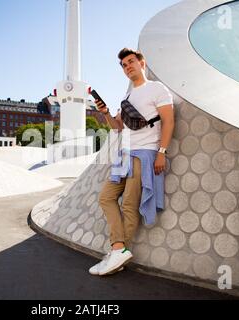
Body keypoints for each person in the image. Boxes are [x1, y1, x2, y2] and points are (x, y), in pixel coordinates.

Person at [89, 48, 174, 276]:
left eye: (131, 62)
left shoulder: (156, 89)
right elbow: (117, 128)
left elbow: (168, 121)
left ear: (142, 63)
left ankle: (117, 250)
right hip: (124, 154)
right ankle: (119, 248)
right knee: (106, 197)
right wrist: (106, 113)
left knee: (128, 204)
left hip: (144, 153)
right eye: (124, 65)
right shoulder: (127, 97)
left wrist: (162, 152)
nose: (128, 67)